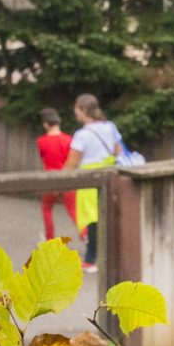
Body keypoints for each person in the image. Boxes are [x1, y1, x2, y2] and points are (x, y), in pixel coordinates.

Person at [64, 93, 126, 272]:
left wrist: (61, 178)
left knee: (91, 219)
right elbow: (118, 150)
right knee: (108, 216)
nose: (75, 112)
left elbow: (72, 161)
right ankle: (111, 258)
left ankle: (91, 259)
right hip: (110, 174)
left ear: (83, 110)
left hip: (89, 178)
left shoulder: (82, 135)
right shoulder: (110, 127)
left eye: (76, 108)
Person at [35, 106, 78, 242]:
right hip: (67, 179)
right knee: (74, 211)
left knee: (47, 209)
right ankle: (85, 236)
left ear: (46, 124)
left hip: (50, 179)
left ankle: (49, 239)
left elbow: (43, 158)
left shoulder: (41, 141)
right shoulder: (69, 140)